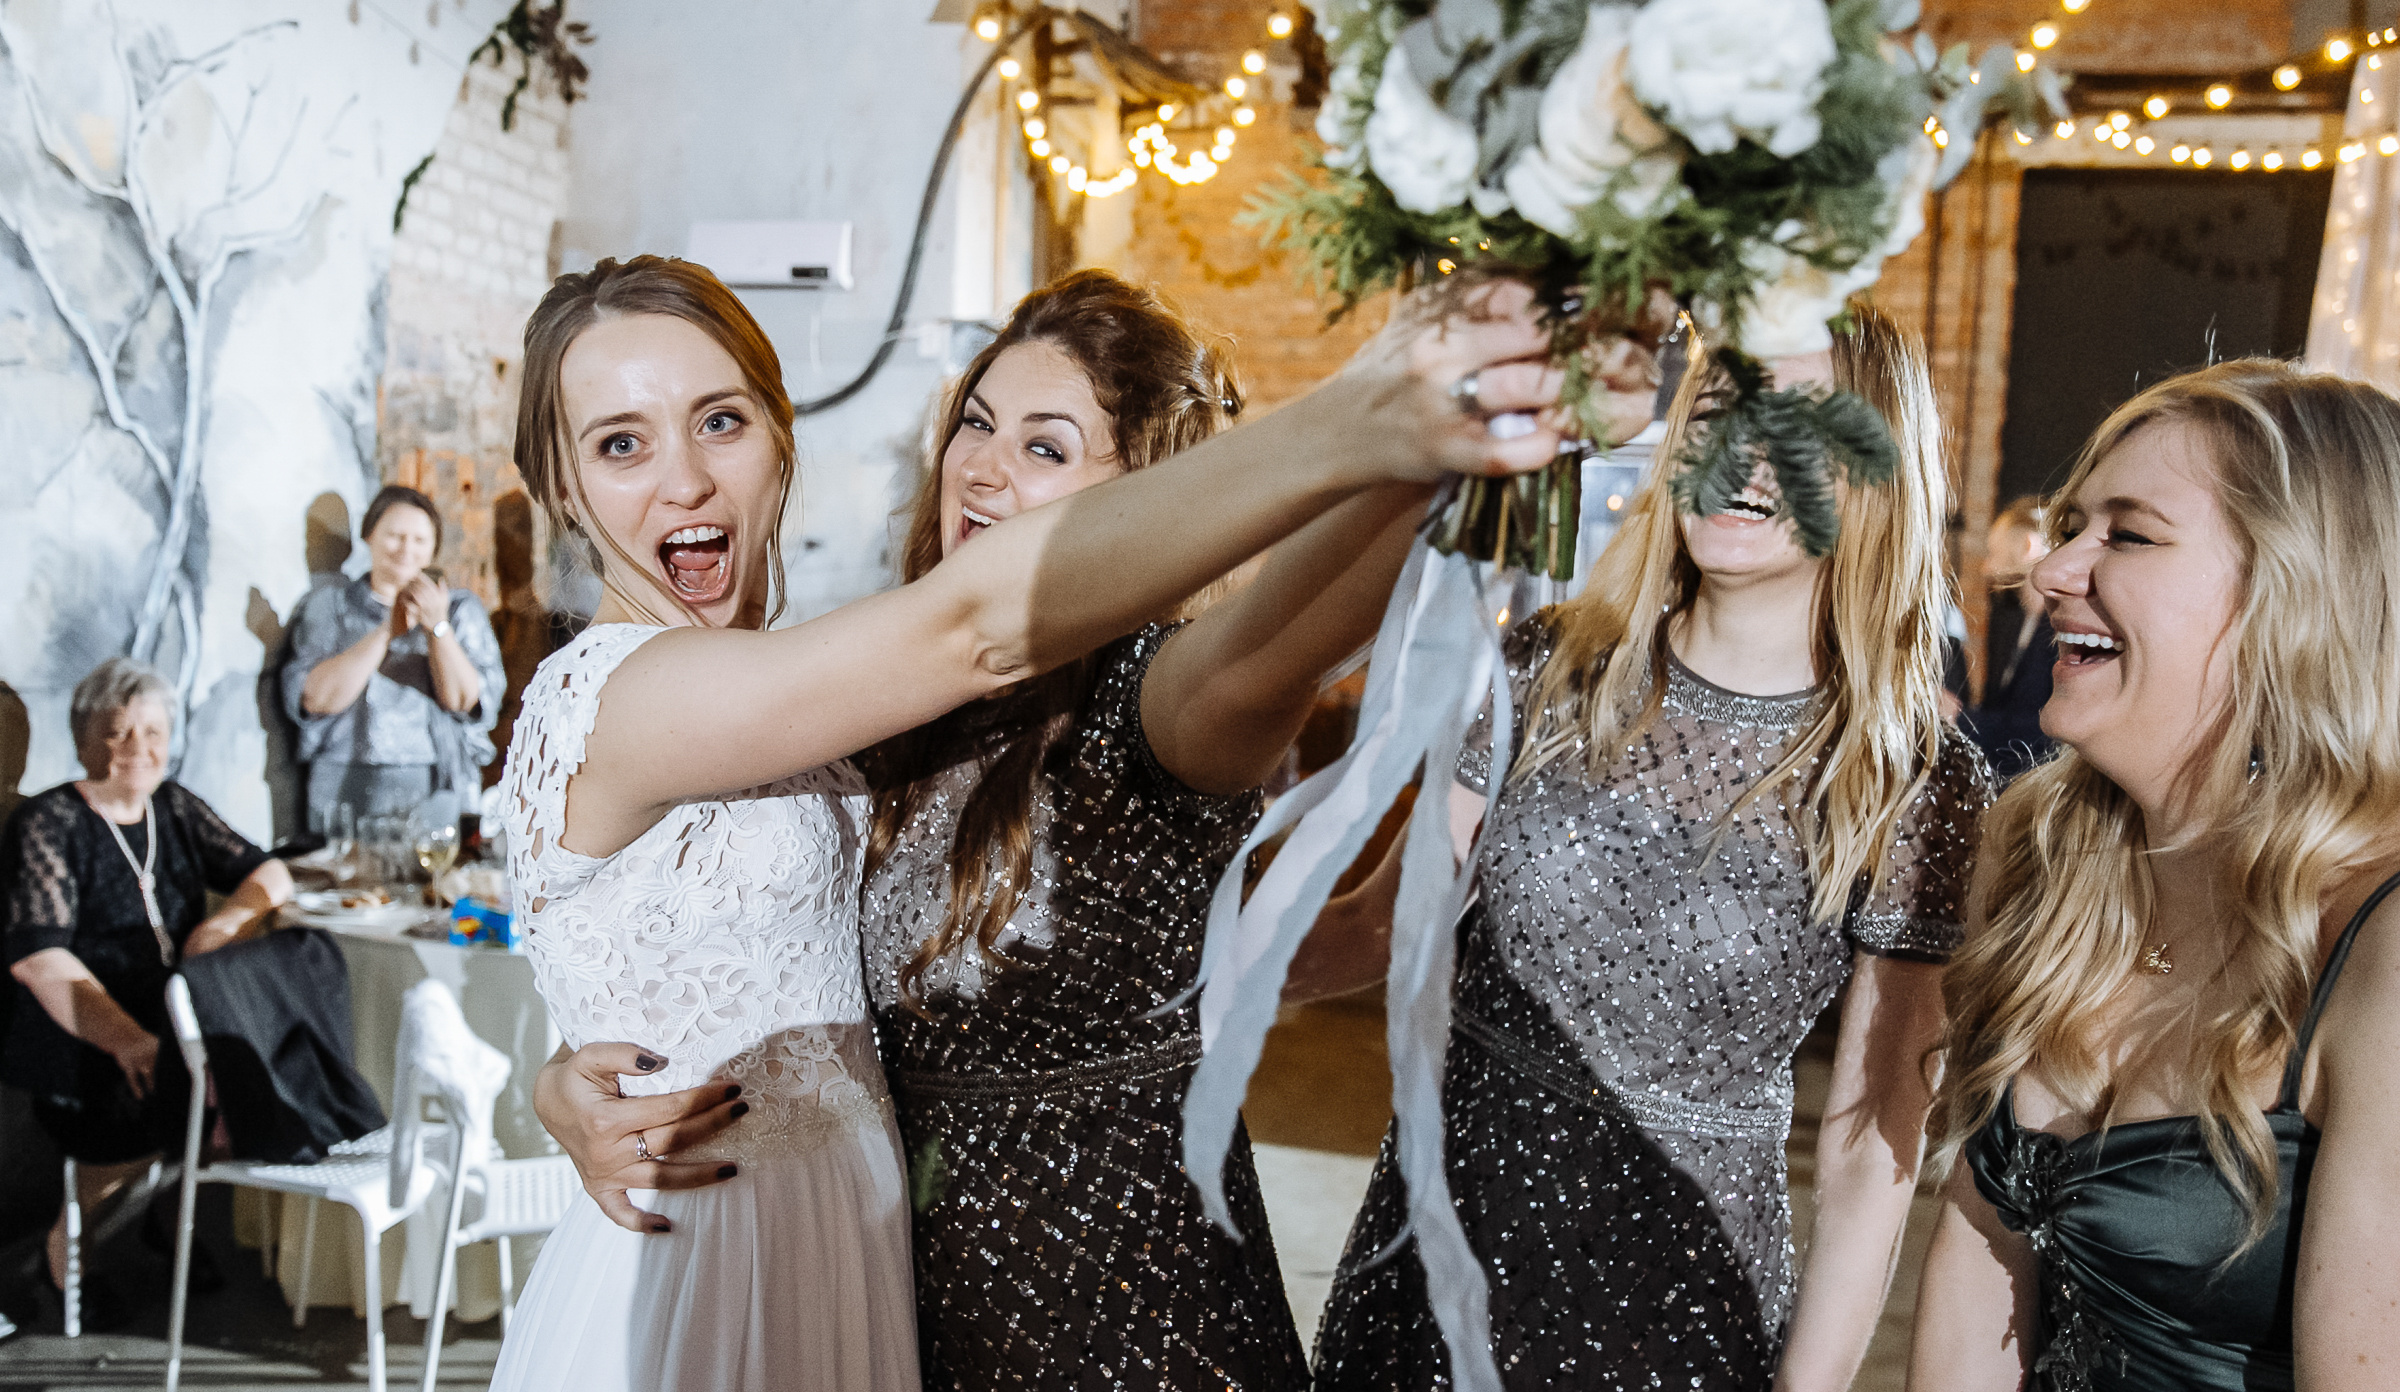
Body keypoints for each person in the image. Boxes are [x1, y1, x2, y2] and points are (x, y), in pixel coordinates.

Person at [483, 255, 1568, 1392]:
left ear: (779, 435)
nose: (686, 483)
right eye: (620, 444)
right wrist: (1378, 410)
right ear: (559, 486)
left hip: (1034, 1302)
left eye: (720, 422)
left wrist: (1451, 451)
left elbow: (1275, 643)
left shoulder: (886, 700)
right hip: (720, 1284)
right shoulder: (655, 690)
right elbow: (973, 626)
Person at [1292, 311, 1993, 1390]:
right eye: (1719, 413)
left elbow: (1868, 1149)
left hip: (1675, 1313)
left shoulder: (1907, 779)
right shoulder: (1543, 670)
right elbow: (1378, 925)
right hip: (1428, 1286)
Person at [1911, 361, 2400, 1392]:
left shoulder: (2383, 941)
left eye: (2126, 535)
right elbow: (1976, 1284)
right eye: (2070, 522)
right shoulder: (2041, 852)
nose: (2051, 572)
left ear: (2299, 595)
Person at [1, 658, 293, 1294]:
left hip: (174, 1011)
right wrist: (129, 1040)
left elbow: (269, 872)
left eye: (154, 732)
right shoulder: (48, 824)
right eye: (118, 732)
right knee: (144, 1109)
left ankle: (166, 1222)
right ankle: (68, 1250)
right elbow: (38, 958)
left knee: (246, 1075)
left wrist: (225, 925)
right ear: (83, 740)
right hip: (83, 1026)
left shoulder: (173, 806)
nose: (139, 749)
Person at [282, 484, 505, 833]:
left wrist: (438, 626)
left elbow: (465, 702)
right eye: (395, 536)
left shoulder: (460, 608)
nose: (406, 550)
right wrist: (388, 631)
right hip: (344, 781)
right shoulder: (330, 606)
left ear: (433, 548)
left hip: (435, 781)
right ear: (369, 535)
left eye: (419, 540)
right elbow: (315, 699)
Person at [1957, 494, 2055, 780]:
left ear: (2027, 546)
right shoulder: (2022, 624)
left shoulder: (2057, 632)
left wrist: (1959, 719)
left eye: (1994, 552)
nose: (1987, 567)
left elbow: (2043, 733)